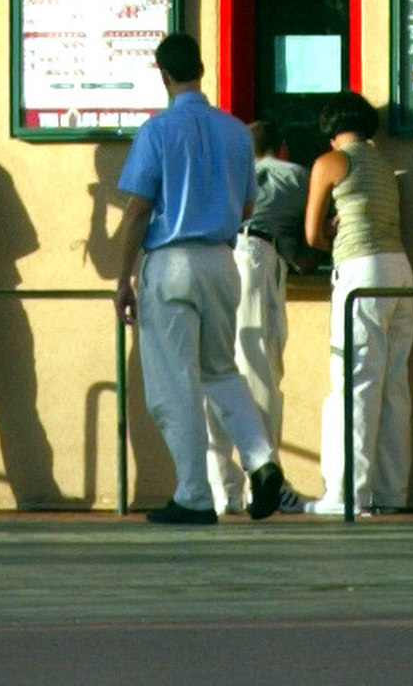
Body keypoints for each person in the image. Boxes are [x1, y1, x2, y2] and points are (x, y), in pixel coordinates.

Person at [112, 31, 302, 526]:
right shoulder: (237, 133)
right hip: (223, 259)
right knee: (221, 371)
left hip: (171, 262)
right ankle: (262, 460)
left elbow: (137, 210)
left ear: (163, 74)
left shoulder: (156, 132)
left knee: (173, 385)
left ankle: (194, 494)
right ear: (201, 69)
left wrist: (121, 279)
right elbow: (244, 205)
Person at [305, 91, 413, 519]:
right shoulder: (384, 166)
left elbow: (313, 235)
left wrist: (331, 234)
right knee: (393, 386)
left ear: (331, 130)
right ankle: (392, 492)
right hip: (401, 271)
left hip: (360, 272)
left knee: (354, 386)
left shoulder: (330, 163)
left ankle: (346, 495)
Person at [207, 117, 303, 516]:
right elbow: (314, 228)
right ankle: (267, 478)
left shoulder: (224, 176)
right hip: (255, 258)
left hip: (214, 259)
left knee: (214, 372)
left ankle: (221, 489)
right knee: (259, 373)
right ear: (281, 148)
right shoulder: (294, 175)